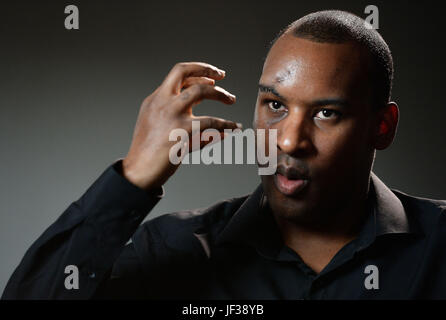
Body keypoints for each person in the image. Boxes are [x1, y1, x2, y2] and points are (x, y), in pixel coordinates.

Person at [2, 10, 445, 300]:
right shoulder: (175, 251)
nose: (289, 141)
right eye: (275, 105)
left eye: (327, 113)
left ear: (381, 128)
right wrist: (134, 176)